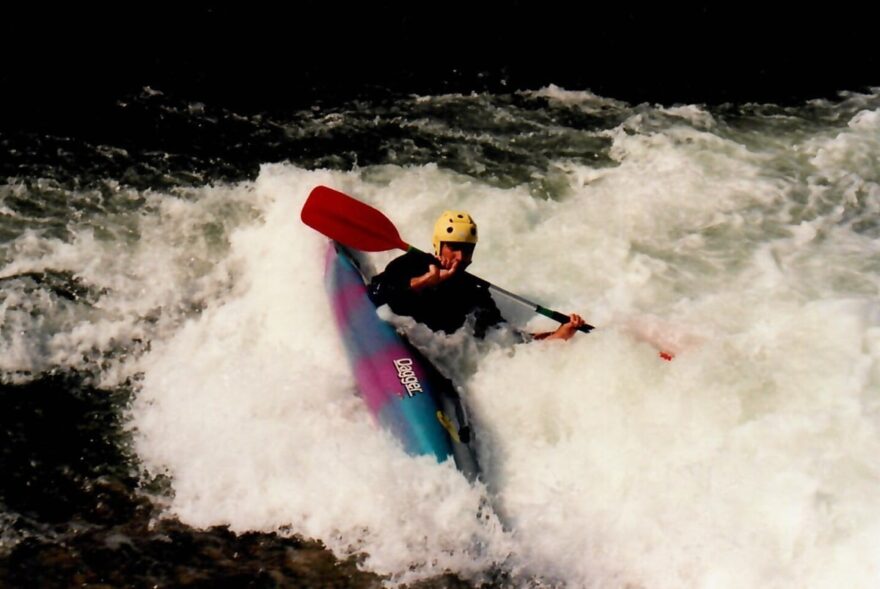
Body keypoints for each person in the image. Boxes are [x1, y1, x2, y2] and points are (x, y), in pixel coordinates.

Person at [368, 210, 585, 341]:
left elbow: (508, 342)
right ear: (439, 246)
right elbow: (375, 295)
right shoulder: (412, 262)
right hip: (397, 341)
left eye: (467, 250)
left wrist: (559, 335)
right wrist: (423, 282)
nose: (461, 256)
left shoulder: (474, 293)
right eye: (454, 247)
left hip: (436, 355)